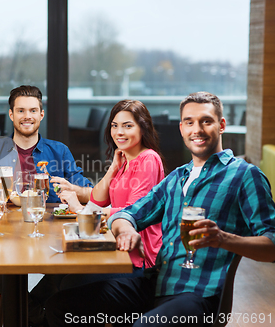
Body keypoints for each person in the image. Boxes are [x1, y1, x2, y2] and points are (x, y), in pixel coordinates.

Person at [45, 92, 275, 327]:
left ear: (221, 125)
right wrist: (126, 229)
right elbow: (128, 213)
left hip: (197, 295)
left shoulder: (245, 175)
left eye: (206, 121)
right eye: (189, 122)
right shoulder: (176, 178)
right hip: (156, 283)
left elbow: (272, 245)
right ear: (181, 128)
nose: (196, 129)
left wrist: (224, 239)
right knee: (60, 306)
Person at [57, 99, 164, 289]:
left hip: (138, 259)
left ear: (143, 128)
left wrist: (80, 210)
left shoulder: (148, 159)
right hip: (117, 247)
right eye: (114, 126)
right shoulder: (124, 158)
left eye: (127, 126)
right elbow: (98, 199)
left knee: (68, 283)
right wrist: (113, 167)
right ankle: (35, 317)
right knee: (60, 276)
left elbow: (131, 212)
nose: (119, 132)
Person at [0, 85, 93, 203]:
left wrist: (73, 189)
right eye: (21, 111)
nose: (27, 116)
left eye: (33, 111)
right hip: (1, 223)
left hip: (48, 224)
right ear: (11, 115)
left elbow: (92, 195)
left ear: (41, 115)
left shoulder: (60, 151)